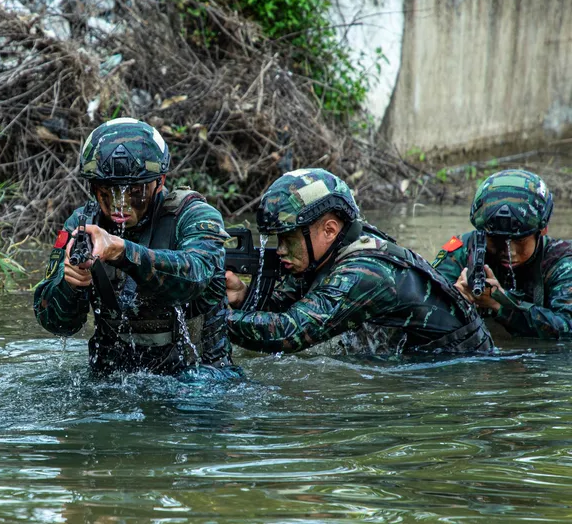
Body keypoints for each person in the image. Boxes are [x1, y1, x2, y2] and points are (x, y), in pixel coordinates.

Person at [34, 117, 242, 379]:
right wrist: (70, 285)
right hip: (113, 377)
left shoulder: (194, 216)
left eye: (135, 192)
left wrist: (122, 252)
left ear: (160, 181)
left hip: (198, 375)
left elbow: (195, 277)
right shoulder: (82, 224)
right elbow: (54, 322)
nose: (120, 204)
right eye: (107, 192)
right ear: (93, 187)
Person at [225, 169, 493, 355]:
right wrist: (242, 296)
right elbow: (285, 308)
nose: (280, 250)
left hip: (455, 369)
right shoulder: (323, 252)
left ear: (329, 230)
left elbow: (290, 332)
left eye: (288, 239)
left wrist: (219, 317)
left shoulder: (365, 271)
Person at [433, 169, 572, 339]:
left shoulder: (563, 261)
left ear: (543, 230)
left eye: (519, 241)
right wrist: (452, 298)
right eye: (497, 241)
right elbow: (420, 305)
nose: (509, 251)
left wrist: (500, 304)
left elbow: (567, 327)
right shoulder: (462, 249)